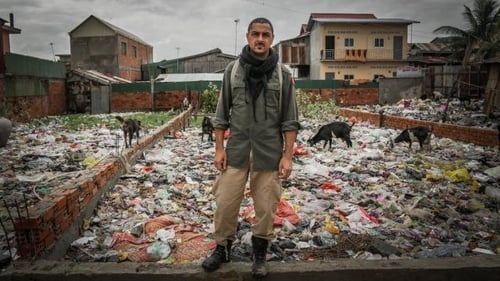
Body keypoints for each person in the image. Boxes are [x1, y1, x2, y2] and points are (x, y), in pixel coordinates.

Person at [201, 17, 301, 278]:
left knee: (266, 207)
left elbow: (290, 120)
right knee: (224, 203)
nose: (260, 39)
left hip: (268, 153)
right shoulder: (233, 71)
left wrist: (287, 156)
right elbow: (221, 114)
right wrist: (219, 149)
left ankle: (260, 253)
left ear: (272, 38)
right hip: (236, 152)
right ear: (247, 37)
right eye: (255, 34)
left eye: (265, 35)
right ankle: (222, 249)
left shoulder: (283, 73)